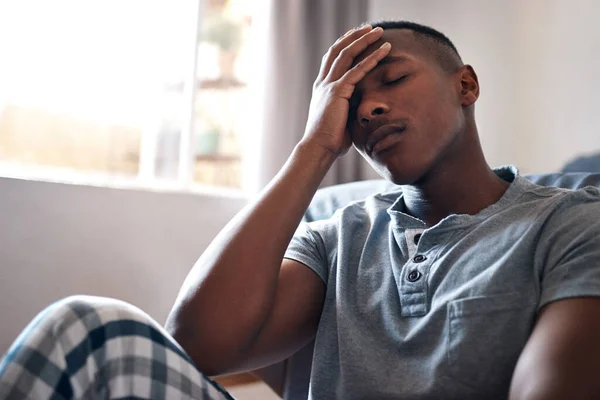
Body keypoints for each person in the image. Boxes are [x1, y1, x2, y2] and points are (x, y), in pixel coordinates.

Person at [2, 20, 600, 400]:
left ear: (465, 85)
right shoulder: (338, 235)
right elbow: (198, 345)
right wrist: (313, 149)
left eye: (392, 79)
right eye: (349, 103)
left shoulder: (569, 224)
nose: (367, 110)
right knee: (86, 325)